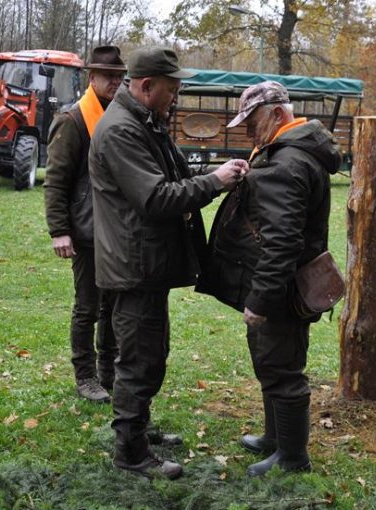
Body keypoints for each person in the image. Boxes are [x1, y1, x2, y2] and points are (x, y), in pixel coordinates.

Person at [88, 46, 248, 479]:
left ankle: (139, 429)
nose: (176, 97)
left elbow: (175, 175)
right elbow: (156, 196)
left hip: (146, 263)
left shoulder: (145, 122)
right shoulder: (122, 130)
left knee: (152, 352)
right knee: (139, 360)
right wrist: (215, 182)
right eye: (172, 89)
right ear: (146, 86)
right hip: (134, 265)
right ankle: (131, 453)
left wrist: (213, 171)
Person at [196, 81, 342, 476]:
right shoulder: (285, 152)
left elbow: (282, 244)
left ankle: (292, 458)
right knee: (270, 362)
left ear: (278, 114)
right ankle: (274, 438)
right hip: (279, 284)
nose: (246, 132)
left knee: (283, 370)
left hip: (279, 288)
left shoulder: (288, 162)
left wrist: (260, 300)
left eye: (252, 121)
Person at [44, 46, 126, 403]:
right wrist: (59, 230)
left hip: (116, 231)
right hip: (86, 230)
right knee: (87, 307)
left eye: (120, 77)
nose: (115, 83)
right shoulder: (73, 119)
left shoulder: (120, 116)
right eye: (109, 77)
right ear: (92, 78)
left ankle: (108, 372)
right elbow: (56, 180)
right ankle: (85, 376)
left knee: (113, 307)